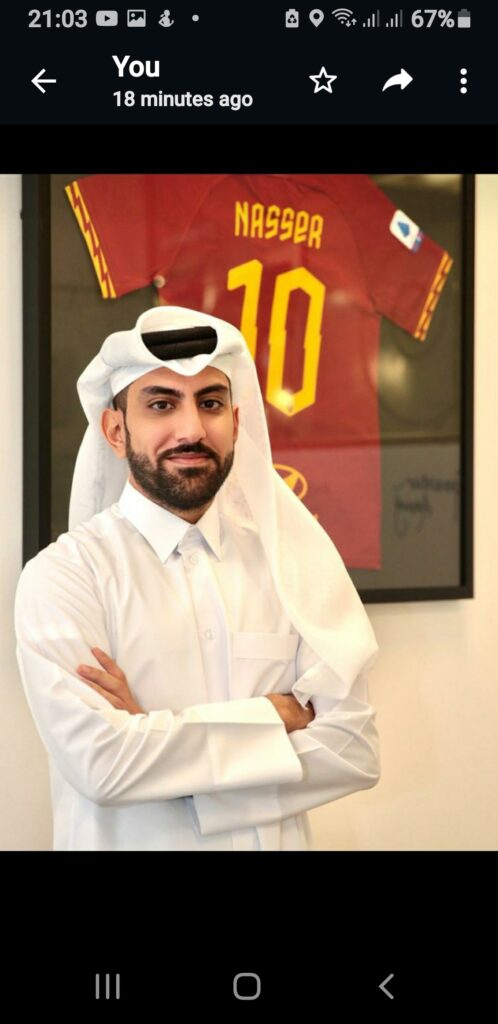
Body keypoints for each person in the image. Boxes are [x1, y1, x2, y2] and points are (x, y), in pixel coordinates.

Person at [15, 305, 380, 851]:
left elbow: (354, 750)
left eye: (210, 403)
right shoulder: (65, 577)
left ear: (236, 422)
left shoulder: (290, 565)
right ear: (115, 430)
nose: (191, 429)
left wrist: (154, 737)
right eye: (161, 404)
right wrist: (272, 716)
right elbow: (102, 764)